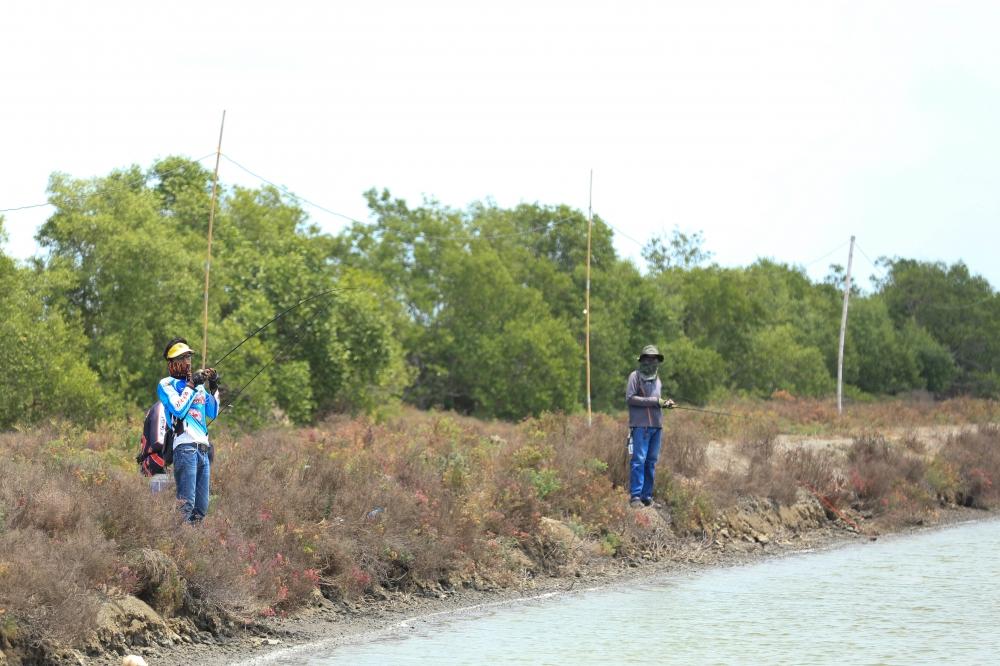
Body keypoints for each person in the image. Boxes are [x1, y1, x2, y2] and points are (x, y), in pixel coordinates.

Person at [158, 337, 219, 522]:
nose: (187, 362)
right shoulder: (166, 384)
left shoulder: (197, 386)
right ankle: (177, 544)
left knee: (201, 507)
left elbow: (213, 412)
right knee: (186, 504)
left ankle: (192, 546)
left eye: (188, 358)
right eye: (182, 358)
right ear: (172, 363)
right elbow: (178, 409)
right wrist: (192, 385)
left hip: (203, 449)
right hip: (185, 448)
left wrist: (213, 386)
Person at [625, 344, 675, 507]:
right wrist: (655, 402)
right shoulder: (635, 376)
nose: (651, 362)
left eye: (654, 359)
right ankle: (636, 497)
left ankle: (647, 496)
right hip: (640, 426)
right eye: (648, 358)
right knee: (639, 460)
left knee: (651, 461)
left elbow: (657, 400)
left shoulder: (657, 380)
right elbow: (630, 398)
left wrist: (665, 403)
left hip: (656, 426)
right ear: (642, 360)